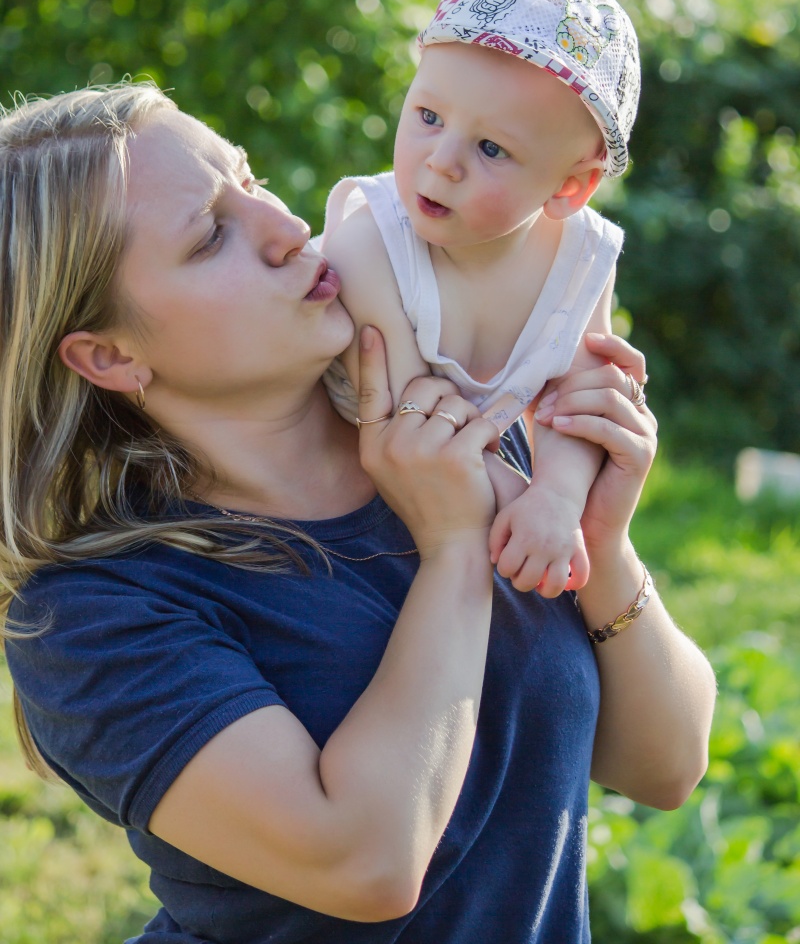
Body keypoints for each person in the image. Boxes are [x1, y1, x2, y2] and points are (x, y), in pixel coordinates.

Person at [1, 83, 715, 944]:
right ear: (109, 354)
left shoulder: (466, 423)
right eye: (210, 236)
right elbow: (366, 863)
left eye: (249, 180)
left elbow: (665, 765)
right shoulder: (92, 615)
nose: (285, 227)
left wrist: (598, 538)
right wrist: (453, 548)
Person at [321, 0, 641, 599]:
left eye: (492, 147)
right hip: (342, 527)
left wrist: (556, 498)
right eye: (428, 117)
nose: (441, 162)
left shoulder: (578, 260)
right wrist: (528, 501)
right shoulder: (369, 238)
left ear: (571, 187)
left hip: (477, 514)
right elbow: (415, 418)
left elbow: (577, 403)